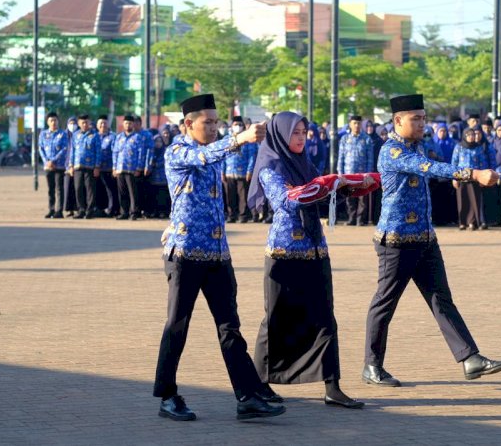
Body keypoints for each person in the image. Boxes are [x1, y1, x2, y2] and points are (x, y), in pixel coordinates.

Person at [363, 94, 501, 387]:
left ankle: (470, 358)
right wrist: (473, 173)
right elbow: (431, 168)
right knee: (385, 303)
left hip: (424, 238)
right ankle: (371, 365)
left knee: (441, 299)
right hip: (397, 242)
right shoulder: (392, 151)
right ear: (398, 121)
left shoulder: (417, 145)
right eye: (415, 118)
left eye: (423, 117)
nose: (422, 123)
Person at [154, 94, 285, 422]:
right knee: (177, 325)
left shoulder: (210, 152)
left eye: (216, 122)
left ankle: (247, 396)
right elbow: (204, 155)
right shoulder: (178, 152)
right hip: (185, 254)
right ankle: (167, 395)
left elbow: (216, 152)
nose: (214, 128)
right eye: (207, 122)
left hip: (217, 255)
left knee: (230, 327)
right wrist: (239, 137)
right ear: (188, 124)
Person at [247, 111, 379, 410]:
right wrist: (323, 185)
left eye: (304, 132)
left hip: (315, 250)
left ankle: (333, 386)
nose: (301, 138)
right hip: (284, 254)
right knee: (276, 320)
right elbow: (285, 199)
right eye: (295, 132)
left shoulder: (305, 164)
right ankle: (258, 385)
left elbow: (321, 193)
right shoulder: (270, 165)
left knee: (325, 319)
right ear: (280, 134)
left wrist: (348, 187)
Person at [337, 115, 375, 225]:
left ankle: (360, 219)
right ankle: (351, 218)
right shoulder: (345, 139)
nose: (357, 125)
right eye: (354, 123)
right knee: (349, 197)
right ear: (350, 124)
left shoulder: (367, 139)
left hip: (362, 174)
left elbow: (370, 158)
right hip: (348, 173)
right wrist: (340, 172)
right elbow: (341, 157)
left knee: (362, 197)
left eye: (358, 123)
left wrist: (368, 174)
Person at [222, 116, 258, 223]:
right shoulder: (226, 139)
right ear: (231, 126)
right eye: (235, 125)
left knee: (243, 195)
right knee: (229, 195)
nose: (238, 127)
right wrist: (222, 171)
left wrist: (249, 170)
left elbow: (252, 156)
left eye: (240, 125)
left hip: (243, 171)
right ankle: (231, 215)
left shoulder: (248, 140)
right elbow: (222, 156)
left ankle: (243, 215)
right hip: (229, 171)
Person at [66, 114, 100, 219]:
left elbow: (98, 152)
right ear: (79, 123)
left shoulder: (95, 135)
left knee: (90, 189)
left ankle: (90, 210)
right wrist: (70, 166)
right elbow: (72, 151)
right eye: (82, 122)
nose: (84, 124)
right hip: (77, 166)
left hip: (90, 167)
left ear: (89, 123)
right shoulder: (75, 135)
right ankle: (81, 210)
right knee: (78, 188)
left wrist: (97, 166)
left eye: (86, 122)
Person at [451, 128, 486, 230]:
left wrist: (482, 177)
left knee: (474, 201)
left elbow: (482, 162)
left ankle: (472, 222)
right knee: (462, 201)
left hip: (475, 177)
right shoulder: (459, 147)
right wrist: (454, 178)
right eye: (469, 135)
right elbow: (454, 163)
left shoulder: (478, 148)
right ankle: (462, 222)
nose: (471, 137)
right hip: (461, 178)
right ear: (464, 136)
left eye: (472, 135)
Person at [112, 115, 144, 220]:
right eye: (126, 123)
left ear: (133, 124)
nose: (128, 125)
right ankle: (124, 212)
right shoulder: (119, 137)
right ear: (123, 124)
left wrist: (139, 167)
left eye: (130, 123)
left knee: (133, 192)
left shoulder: (137, 137)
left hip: (132, 169)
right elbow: (115, 153)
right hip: (120, 168)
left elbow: (141, 153)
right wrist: (114, 167)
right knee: (122, 192)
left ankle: (134, 212)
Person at [39, 112, 69, 219]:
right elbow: (41, 149)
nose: (53, 123)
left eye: (55, 120)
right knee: (50, 189)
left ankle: (59, 210)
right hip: (48, 166)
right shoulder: (43, 134)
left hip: (59, 166)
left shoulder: (63, 134)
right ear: (47, 122)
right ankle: (51, 209)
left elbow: (64, 149)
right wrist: (46, 161)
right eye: (51, 121)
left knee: (59, 188)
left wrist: (53, 160)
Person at [95, 115, 119, 218]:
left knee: (110, 190)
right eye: (101, 123)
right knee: (98, 190)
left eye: (105, 123)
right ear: (97, 125)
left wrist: (114, 166)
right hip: (96, 168)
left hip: (108, 167)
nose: (103, 125)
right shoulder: (94, 136)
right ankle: (100, 209)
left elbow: (115, 152)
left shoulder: (113, 137)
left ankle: (111, 209)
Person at [63, 116, 79, 217]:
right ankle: (69, 209)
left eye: (74, 123)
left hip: (77, 165)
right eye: (70, 123)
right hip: (66, 167)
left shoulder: (79, 135)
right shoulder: (64, 136)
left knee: (77, 188)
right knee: (67, 188)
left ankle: (78, 208)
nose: (72, 125)